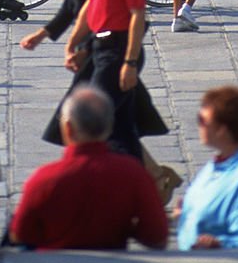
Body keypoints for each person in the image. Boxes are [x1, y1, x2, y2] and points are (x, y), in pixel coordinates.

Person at [9, 86, 168, 251]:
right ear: (109, 124)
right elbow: (156, 236)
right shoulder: (133, 174)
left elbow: (21, 233)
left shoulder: (44, 179)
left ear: (68, 128)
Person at [64, 0, 147, 159]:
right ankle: (147, 180)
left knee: (91, 118)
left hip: (119, 51)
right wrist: (73, 45)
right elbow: (91, 6)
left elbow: (137, 16)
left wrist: (130, 63)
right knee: (121, 125)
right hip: (99, 47)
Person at [177, 87, 238, 250]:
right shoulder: (217, 164)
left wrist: (218, 244)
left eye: (202, 120)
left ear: (222, 130)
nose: (197, 125)